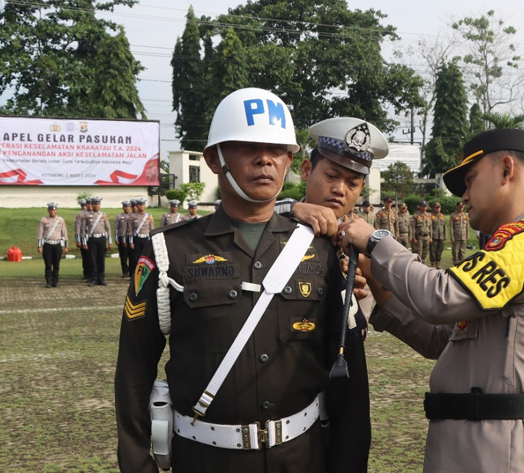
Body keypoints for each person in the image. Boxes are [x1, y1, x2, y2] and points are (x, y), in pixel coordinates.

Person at [115, 88, 371, 473]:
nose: (264, 159)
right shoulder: (168, 250)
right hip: (205, 460)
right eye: (247, 147)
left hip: (302, 459)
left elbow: (350, 374)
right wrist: (136, 464)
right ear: (214, 159)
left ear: (289, 160)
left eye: (276, 149)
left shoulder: (322, 249)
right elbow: (134, 367)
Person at [337, 127, 524, 473]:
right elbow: (441, 338)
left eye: (470, 180)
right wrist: (379, 282)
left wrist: (377, 241)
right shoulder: (507, 245)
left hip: (503, 447)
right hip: (478, 441)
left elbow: (440, 297)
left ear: (507, 169)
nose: (463, 196)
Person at [82, 196, 112, 286]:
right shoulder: (87, 215)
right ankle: (93, 279)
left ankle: (101, 278)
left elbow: (108, 228)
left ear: (100, 205)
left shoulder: (103, 215)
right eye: (95, 204)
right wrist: (84, 242)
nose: (96, 206)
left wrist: (109, 242)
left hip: (102, 239)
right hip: (92, 239)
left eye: (98, 204)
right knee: (92, 259)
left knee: (101, 259)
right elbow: (83, 229)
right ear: (92, 205)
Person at [37, 202, 68, 288]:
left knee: (56, 264)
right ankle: (48, 281)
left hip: (57, 245)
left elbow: (64, 233)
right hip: (47, 245)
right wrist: (39, 246)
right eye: (50, 210)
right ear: (48, 210)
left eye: (54, 210)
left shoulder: (60, 220)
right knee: (48, 264)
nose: (52, 211)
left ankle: (55, 281)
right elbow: (40, 233)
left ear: (56, 210)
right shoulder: (44, 220)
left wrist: (66, 246)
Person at [127, 198, 154, 277]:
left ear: (145, 206)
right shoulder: (132, 216)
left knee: (146, 257)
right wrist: (131, 241)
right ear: (137, 206)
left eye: (143, 204)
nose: (141, 206)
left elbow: (151, 229)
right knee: (137, 258)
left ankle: (145, 275)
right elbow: (130, 230)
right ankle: (137, 275)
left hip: (146, 239)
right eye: (139, 205)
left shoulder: (149, 216)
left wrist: (151, 240)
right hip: (137, 239)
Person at [75, 198, 92, 281]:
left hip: (92, 238)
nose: (85, 207)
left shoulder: (94, 214)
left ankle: (93, 274)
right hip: (83, 237)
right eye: (83, 205)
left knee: (92, 257)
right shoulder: (80, 215)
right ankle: (86, 273)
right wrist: (78, 240)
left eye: (87, 205)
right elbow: (78, 228)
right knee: (85, 258)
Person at [116, 201, 133, 277]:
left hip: (131, 238)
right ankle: (125, 271)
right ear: (123, 208)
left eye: (128, 207)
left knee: (131, 256)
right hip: (122, 237)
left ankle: (131, 271)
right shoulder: (119, 217)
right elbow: (116, 228)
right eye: (125, 207)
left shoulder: (133, 216)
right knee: (123, 256)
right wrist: (116, 238)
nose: (127, 208)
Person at [428, 202, 447, 269]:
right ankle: (433, 263)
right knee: (433, 250)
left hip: (441, 236)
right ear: (433, 208)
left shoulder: (442, 216)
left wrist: (445, 236)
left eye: (439, 207)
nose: (438, 209)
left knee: (440, 250)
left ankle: (438, 263)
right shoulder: (430, 216)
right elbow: (429, 227)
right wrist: (430, 236)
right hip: (433, 236)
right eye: (437, 207)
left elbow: (445, 226)